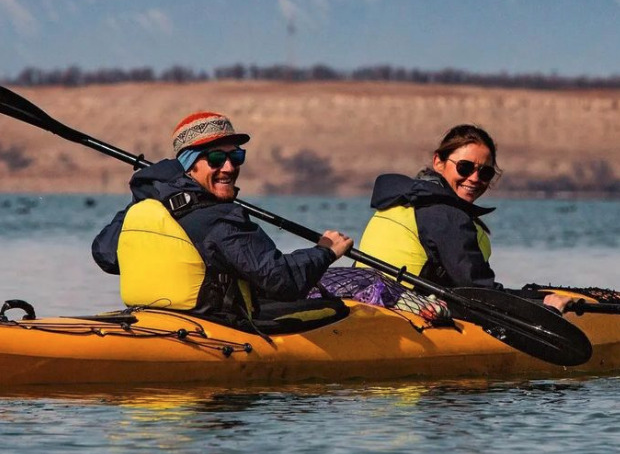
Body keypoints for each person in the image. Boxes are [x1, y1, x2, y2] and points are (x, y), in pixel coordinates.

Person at [92, 110, 353, 321]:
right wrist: (325, 252)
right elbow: (281, 280)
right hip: (216, 327)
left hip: (156, 321)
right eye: (216, 158)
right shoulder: (219, 218)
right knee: (338, 310)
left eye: (236, 156)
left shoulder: (150, 203)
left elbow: (105, 253)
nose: (228, 167)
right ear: (189, 165)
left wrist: (144, 194)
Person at [357, 124, 568, 311]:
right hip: (399, 315)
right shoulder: (445, 214)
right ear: (438, 162)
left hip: (362, 302)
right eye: (465, 167)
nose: (474, 178)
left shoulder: (404, 198)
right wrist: (542, 304)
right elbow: (481, 293)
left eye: (485, 173)